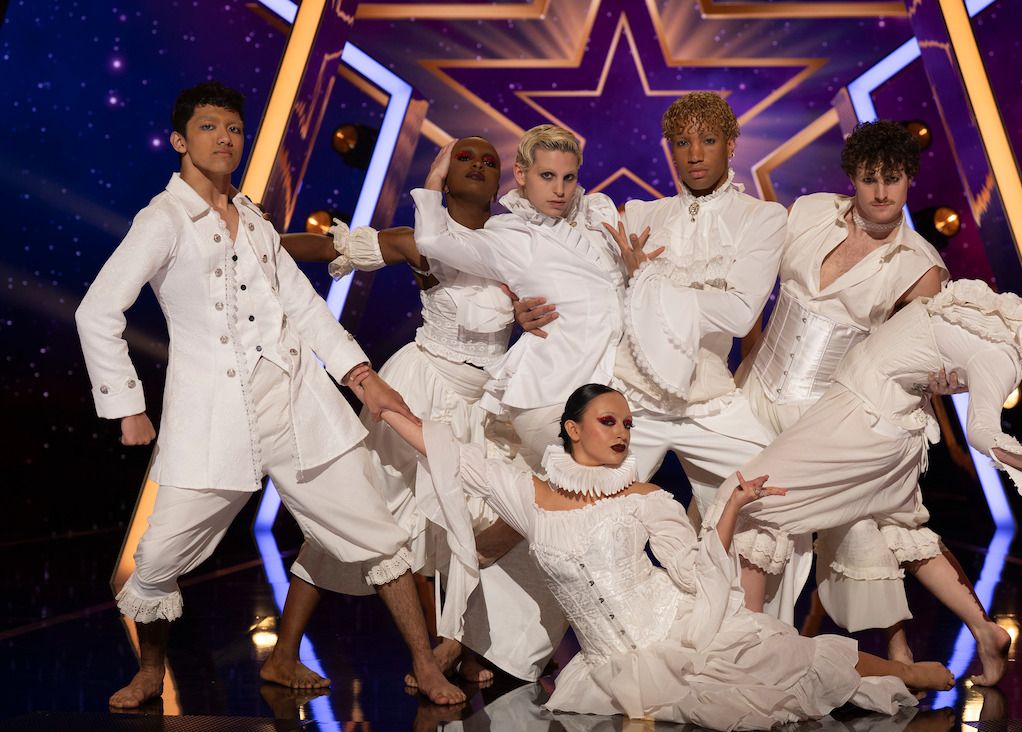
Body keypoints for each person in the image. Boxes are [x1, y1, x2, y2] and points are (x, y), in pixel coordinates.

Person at [75, 80, 461, 707]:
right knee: (158, 559)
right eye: (208, 127)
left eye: (233, 127)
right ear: (179, 141)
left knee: (380, 534)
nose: (224, 138)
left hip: (298, 405)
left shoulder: (253, 220)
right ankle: (150, 673)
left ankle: (425, 662)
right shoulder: (163, 219)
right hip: (215, 419)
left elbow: (304, 308)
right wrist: (128, 407)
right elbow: (97, 312)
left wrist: (361, 377)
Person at [376, 383, 956, 732]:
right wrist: (376, 396)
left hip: (678, 630)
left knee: (790, 659)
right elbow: (451, 455)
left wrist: (730, 507)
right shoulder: (530, 498)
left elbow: (692, 568)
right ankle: (900, 676)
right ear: (573, 429)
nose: (623, 433)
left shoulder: (646, 497)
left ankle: (906, 673)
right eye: (609, 422)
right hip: (610, 664)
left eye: (628, 424)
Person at [705, 279, 1022, 685]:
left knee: (751, 502)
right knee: (900, 528)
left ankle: (752, 653)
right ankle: (986, 631)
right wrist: (939, 375)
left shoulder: (1004, 357)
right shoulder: (1016, 313)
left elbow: (981, 430)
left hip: (866, 416)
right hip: (890, 413)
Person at [263, 136, 517, 689]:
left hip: (485, 402)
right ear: (443, 177)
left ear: (501, 182)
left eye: (489, 160)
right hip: (419, 392)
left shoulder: (516, 244)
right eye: (465, 158)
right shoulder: (418, 240)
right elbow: (332, 249)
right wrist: (259, 240)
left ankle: (460, 646)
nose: (477, 165)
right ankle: (283, 653)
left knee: (471, 525)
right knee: (361, 513)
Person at [410, 124, 626, 681]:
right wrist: (433, 181)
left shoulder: (598, 221)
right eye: (546, 176)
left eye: (569, 177)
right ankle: (470, 624)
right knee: (572, 506)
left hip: (601, 394)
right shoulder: (511, 234)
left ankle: (477, 632)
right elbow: (433, 241)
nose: (559, 189)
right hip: (549, 393)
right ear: (522, 176)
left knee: (552, 520)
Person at [734, 119, 952, 640]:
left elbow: (909, 360)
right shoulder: (810, 212)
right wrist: (747, 350)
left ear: (909, 179)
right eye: (870, 178)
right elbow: (754, 288)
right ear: (852, 177)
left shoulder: (920, 267)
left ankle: (894, 654)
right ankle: (738, 641)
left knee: (855, 530)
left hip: (827, 417)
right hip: (752, 394)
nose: (881, 192)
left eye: (893, 179)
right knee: (734, 512)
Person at [603, 91, 786, 516]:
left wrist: (647, 283)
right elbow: (585, 279)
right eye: (682, 143)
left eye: (709, 140)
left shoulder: (762, 217)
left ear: (731, 144)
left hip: (709, 403)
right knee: (587, 517)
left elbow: (739, 315)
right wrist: (522, 301)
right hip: (632, 400)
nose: (695, 154)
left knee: (775, 502)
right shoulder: (640, 216)